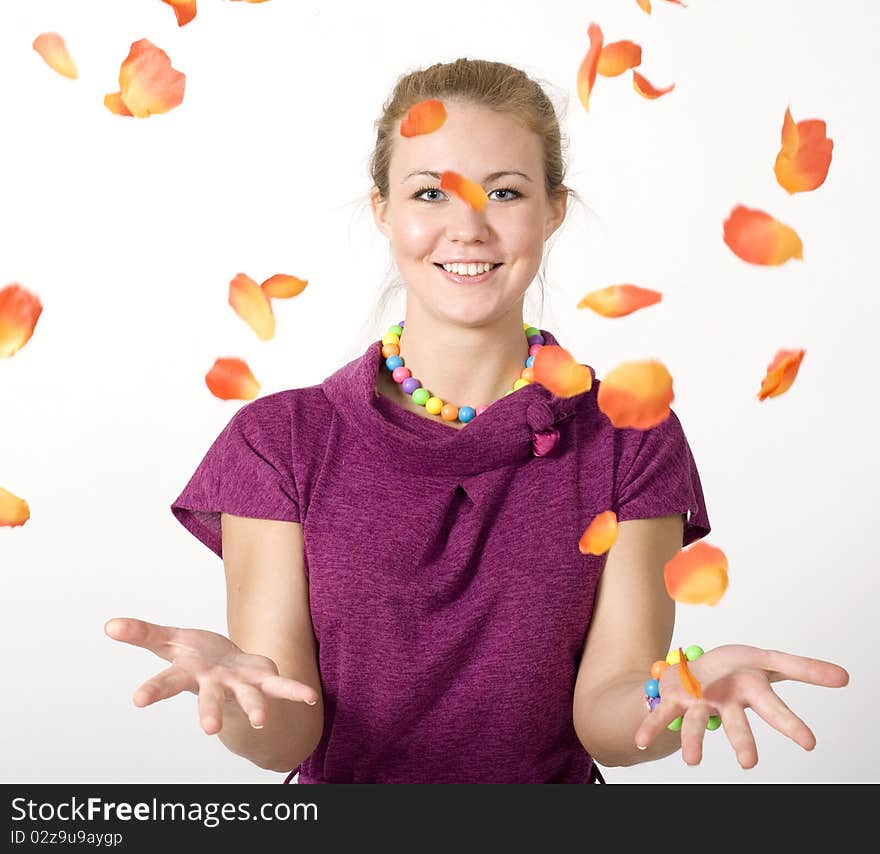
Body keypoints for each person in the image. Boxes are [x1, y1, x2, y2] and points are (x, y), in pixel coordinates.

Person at [104, 58, 849, 784]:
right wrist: (243, 697)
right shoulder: (280, 443)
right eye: (430, 192)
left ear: (554, 209)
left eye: (504, 192)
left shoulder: (631, 435)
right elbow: (286, 734)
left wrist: (673, 694)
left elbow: (610, 718)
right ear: (383, 212)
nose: (467, 227)